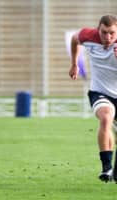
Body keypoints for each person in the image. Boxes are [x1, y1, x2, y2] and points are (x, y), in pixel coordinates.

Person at [69, 15, 117, 183]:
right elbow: (75, 39)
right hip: (99, 91)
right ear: (98, 30)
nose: (108, 37)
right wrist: (74, 63)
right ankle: (106, 167)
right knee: (106, 118)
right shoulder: (88, 36)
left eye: (112, 33)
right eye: (104, 33)